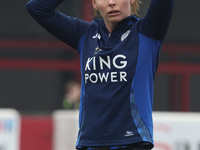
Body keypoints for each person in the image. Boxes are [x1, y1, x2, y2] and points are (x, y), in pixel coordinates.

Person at [26, 0, 174, 149]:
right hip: (89, 143)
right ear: (94, 3)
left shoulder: (147, 32)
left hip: (132, 142)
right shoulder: (84, 34)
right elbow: (37, 8)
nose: (111, 2)